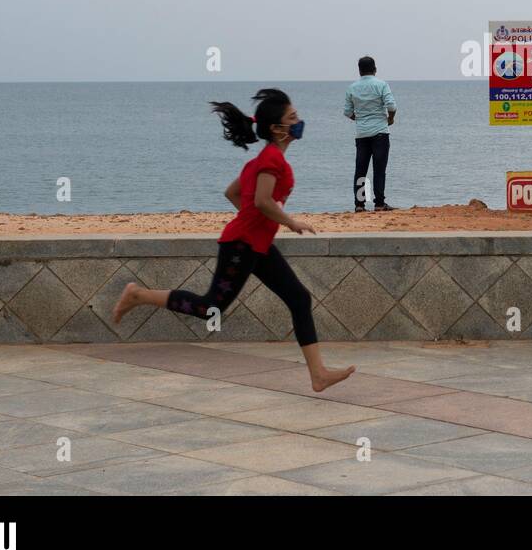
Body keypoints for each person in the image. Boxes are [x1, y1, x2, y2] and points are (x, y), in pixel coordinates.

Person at [111, 88, 354, 392]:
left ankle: (318, 375)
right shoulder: (270, 162)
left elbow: (233, 193)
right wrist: (289, 222)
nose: (299, 121)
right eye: (293, 118)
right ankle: (138, 295)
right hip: (241, 246)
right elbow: (264, 201)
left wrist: (258, 224)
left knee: (299, 298)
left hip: (256, 245)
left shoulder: (261, 161)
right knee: (209, 307)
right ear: (277, 129)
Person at [343, 55, 397, 211]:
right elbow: (392, 106)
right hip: (380, 132)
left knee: (361, 169)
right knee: (379, 169)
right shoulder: (381, 85)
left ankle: (359, 205)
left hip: (362, 134)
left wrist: (360, 119)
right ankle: (379, 203)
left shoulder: (352, 88)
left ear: (359, 70)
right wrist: (390, 119)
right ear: (375, 69)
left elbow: (347, 112)